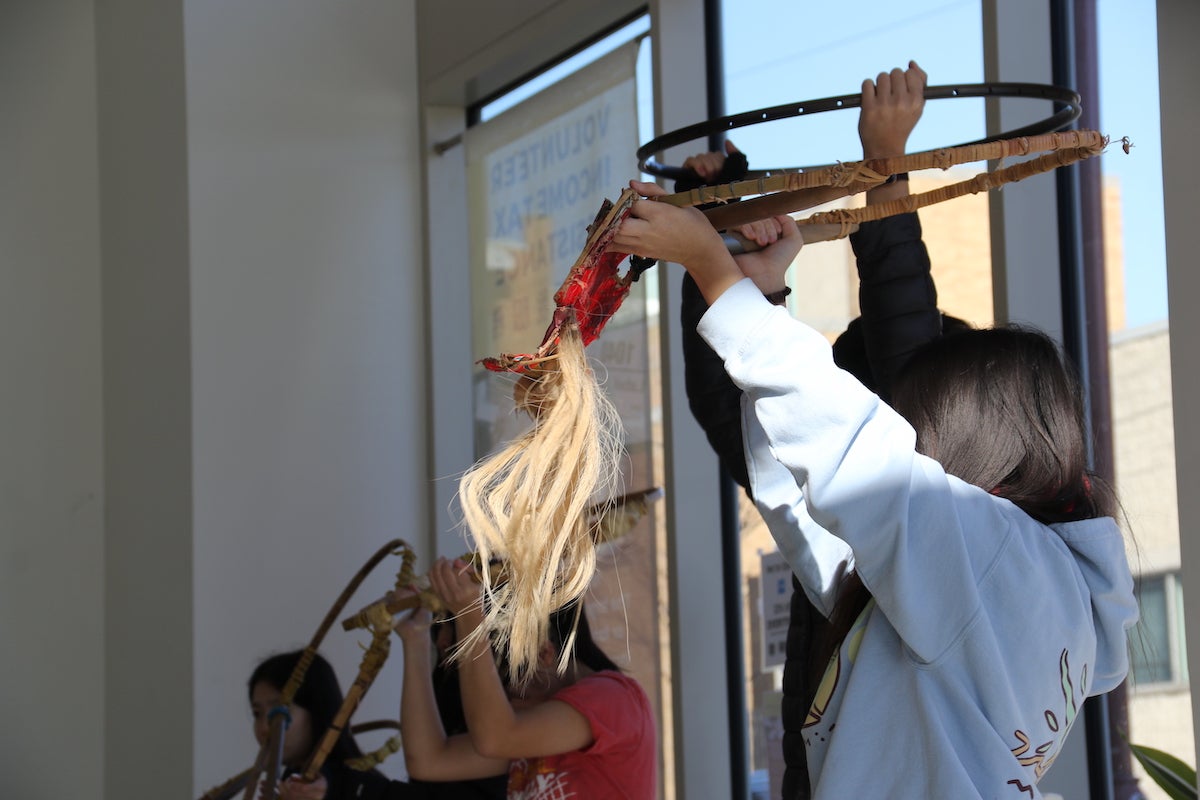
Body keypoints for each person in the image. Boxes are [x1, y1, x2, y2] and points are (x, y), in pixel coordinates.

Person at [610, 162, 1139, 796]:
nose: (912, 442)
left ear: (974, 436)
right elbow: (801, 506)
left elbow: (850, 445)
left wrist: (716, 271)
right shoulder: (1004, 589)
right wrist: (763, 294)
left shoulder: (998, 558)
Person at [677, 61, 969, 799]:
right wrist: (716, 223)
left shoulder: (936, 532)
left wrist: (886, 171)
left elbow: (907, 353)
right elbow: (735, 388)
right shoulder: (831, 527)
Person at [394, 556, 657, 799]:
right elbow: (429, 761)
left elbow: (496, 737)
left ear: (544, 652)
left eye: (506, 677)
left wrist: (470, 616)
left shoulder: (615, 699)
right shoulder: (536, 737)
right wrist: (415, 639)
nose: (504, 695)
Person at [248, 650, 395, 800]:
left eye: (279, 713)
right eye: (257, 714)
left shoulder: (357, 786)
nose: (264, 728)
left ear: (316, 709)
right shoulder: (290, 782)